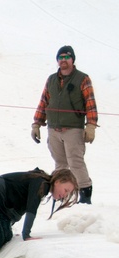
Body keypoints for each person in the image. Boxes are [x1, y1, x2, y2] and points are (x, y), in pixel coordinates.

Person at [31, 46, 97, 204]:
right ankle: (60, 194)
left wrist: (91, 126)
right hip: (54, 129)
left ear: (72, 60)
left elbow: (90, 103)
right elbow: (44, 102)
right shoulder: (51, 79)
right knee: (60, 163)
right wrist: (37, 124)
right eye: (60, 58)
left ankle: (85, 196)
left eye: (67, 57)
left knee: (75, 162)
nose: (63, 60)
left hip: (73, 128)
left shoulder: (82, 79)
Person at [0, 168, 77, 256]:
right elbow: (31, 208)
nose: (65, 195)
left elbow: (19, 203)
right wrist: (26, 234)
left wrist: (10, 228)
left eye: (68, 193)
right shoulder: (41, 183)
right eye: (66, 190)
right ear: (57, 181)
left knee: (6, 235)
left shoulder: (42, 183)